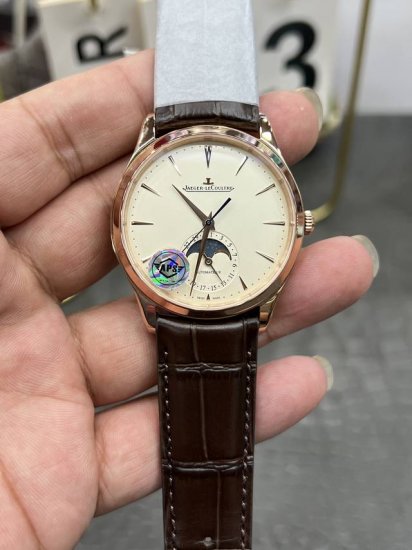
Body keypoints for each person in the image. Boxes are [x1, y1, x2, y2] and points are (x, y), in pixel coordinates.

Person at [0, 50, 378, 548]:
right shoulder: (168, 154)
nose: (209, 224)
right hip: (180, 299)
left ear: (297, 224)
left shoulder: (195, 150)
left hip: (232, 298)